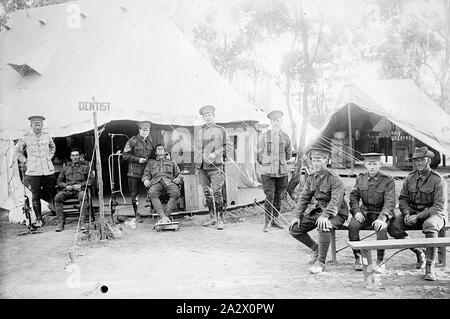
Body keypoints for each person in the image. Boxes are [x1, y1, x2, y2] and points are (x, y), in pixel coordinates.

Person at [387, 146, 448, 281]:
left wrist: (418, 216)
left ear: (429, 160)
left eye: (422, 160)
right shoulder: (410, 178)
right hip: (414, 212)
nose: (419, 163)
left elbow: (438, 206)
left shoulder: (438, 179)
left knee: (430, 225)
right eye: (417, 160)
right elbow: (403, 199)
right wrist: (407, 213)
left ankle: (430, 266)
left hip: (435, 215)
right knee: (394, 226)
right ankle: (419, 251)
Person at [288, 146, 349, 274]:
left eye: (319, 160)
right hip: (319, 211)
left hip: (337, 214)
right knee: (294, 229)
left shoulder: (334, 178)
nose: (315, 163)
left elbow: (336, 201)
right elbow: (304, 197)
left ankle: (320, 262)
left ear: (326, 160)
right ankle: (316, 249)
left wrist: (326, 215)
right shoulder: (311, 178)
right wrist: (297, 215)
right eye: (313, 160)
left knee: (323, 225)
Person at [348, 153, 395, 273]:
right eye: (369, 164)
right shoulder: (360, 178)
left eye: (375, 164)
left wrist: (382, 218)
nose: (372, 167)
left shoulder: (388, 180)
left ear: (381, 164)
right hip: (365, 213)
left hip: (381, 213)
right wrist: (357, 212)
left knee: (381, 228)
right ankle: (358, 258)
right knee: (353, 226)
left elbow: (390, 201)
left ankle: (380, 260)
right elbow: (353, 197)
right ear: (365, 164)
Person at [194, 105, 234, 230]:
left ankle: (220, 219)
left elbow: (228, 146)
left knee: (217, 192)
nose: (207, 118)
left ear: (214, 116)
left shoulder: (221, 130)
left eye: (209, 115)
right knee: (207, 192)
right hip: (202, 166)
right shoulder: (200, 131)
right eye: (205, 116)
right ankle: (212, 217)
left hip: (215, 166)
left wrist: (215, 153)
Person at [15, 115, 56, 228]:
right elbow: (17, 151)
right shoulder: (26, 136)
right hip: (33, 171)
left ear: (42, 125)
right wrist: (26, 161)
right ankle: (39, 219)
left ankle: (56, 214)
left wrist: (49, 157)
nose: (37, 127)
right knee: (35, 195)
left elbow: (53, 147)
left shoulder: (47, 135)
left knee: (52, 191)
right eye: (35, 125)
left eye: (39, 125)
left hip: (48, 170)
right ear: (31, 125)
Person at [257, 110, 292, 232]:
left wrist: (280, 164)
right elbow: (258, 155)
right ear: (270, 122)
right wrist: (267, 163)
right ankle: (267, 222)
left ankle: (275, 220)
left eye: (277, 120)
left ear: (281, 121)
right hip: (267, 172)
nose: (275, 123)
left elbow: (288, 156)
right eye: (273, 120)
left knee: (278, 196)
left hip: (282, 172)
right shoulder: (263, 136)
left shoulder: (286, 137)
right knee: (269, 196)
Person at [54, 148, 94, 232]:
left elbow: (91, 180)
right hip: (67, 190)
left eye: (76, 155)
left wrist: (81, 185)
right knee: (58, 197)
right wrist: (65, 186)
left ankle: (83, 222)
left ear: (80, 156)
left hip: (80, 190)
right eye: (73, 155)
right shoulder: (65, 168)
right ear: (70, 157)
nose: (75, 157)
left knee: (83, 196)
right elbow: (59, 181)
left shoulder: (86, 167)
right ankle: (60, 222)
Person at [123, 121, 154, 223]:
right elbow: (125, 156)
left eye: (147, 130)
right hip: (134, 172)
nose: (146, 132)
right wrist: (138, 159)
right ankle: (137, 214)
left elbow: (152, 157)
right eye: (144, 130)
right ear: (139, 130)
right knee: (134, 194)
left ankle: (153, 211)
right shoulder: (132, 141)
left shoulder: (150, 143)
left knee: (152, 191)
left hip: (147, 173)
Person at [142, 144, 182, 224]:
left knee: (176, 192)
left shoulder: (172, 162)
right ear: (156, 152)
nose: (160, 149)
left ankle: (164, 217)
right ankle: (164, 217)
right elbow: (146, 173)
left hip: (169, 181)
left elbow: (179, 174)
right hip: (156, 182)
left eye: (162, 148)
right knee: (152, 193)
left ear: (165, 152)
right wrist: (145, 180)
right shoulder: (151, 162)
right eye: (158, 149)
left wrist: (178, 178)